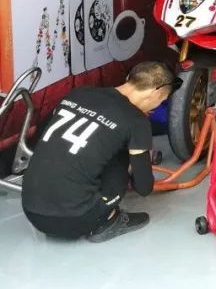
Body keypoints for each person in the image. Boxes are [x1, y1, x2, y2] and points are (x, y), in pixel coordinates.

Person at [21, 61, 180, 243]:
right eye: (161, 101)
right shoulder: (136, 120)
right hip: (76, 219)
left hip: (32, 212)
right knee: (122, 155)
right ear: (157, 93)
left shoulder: (78, 93)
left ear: (129, 78)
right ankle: (109, 220)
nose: (156, 106)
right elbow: (144, 188)